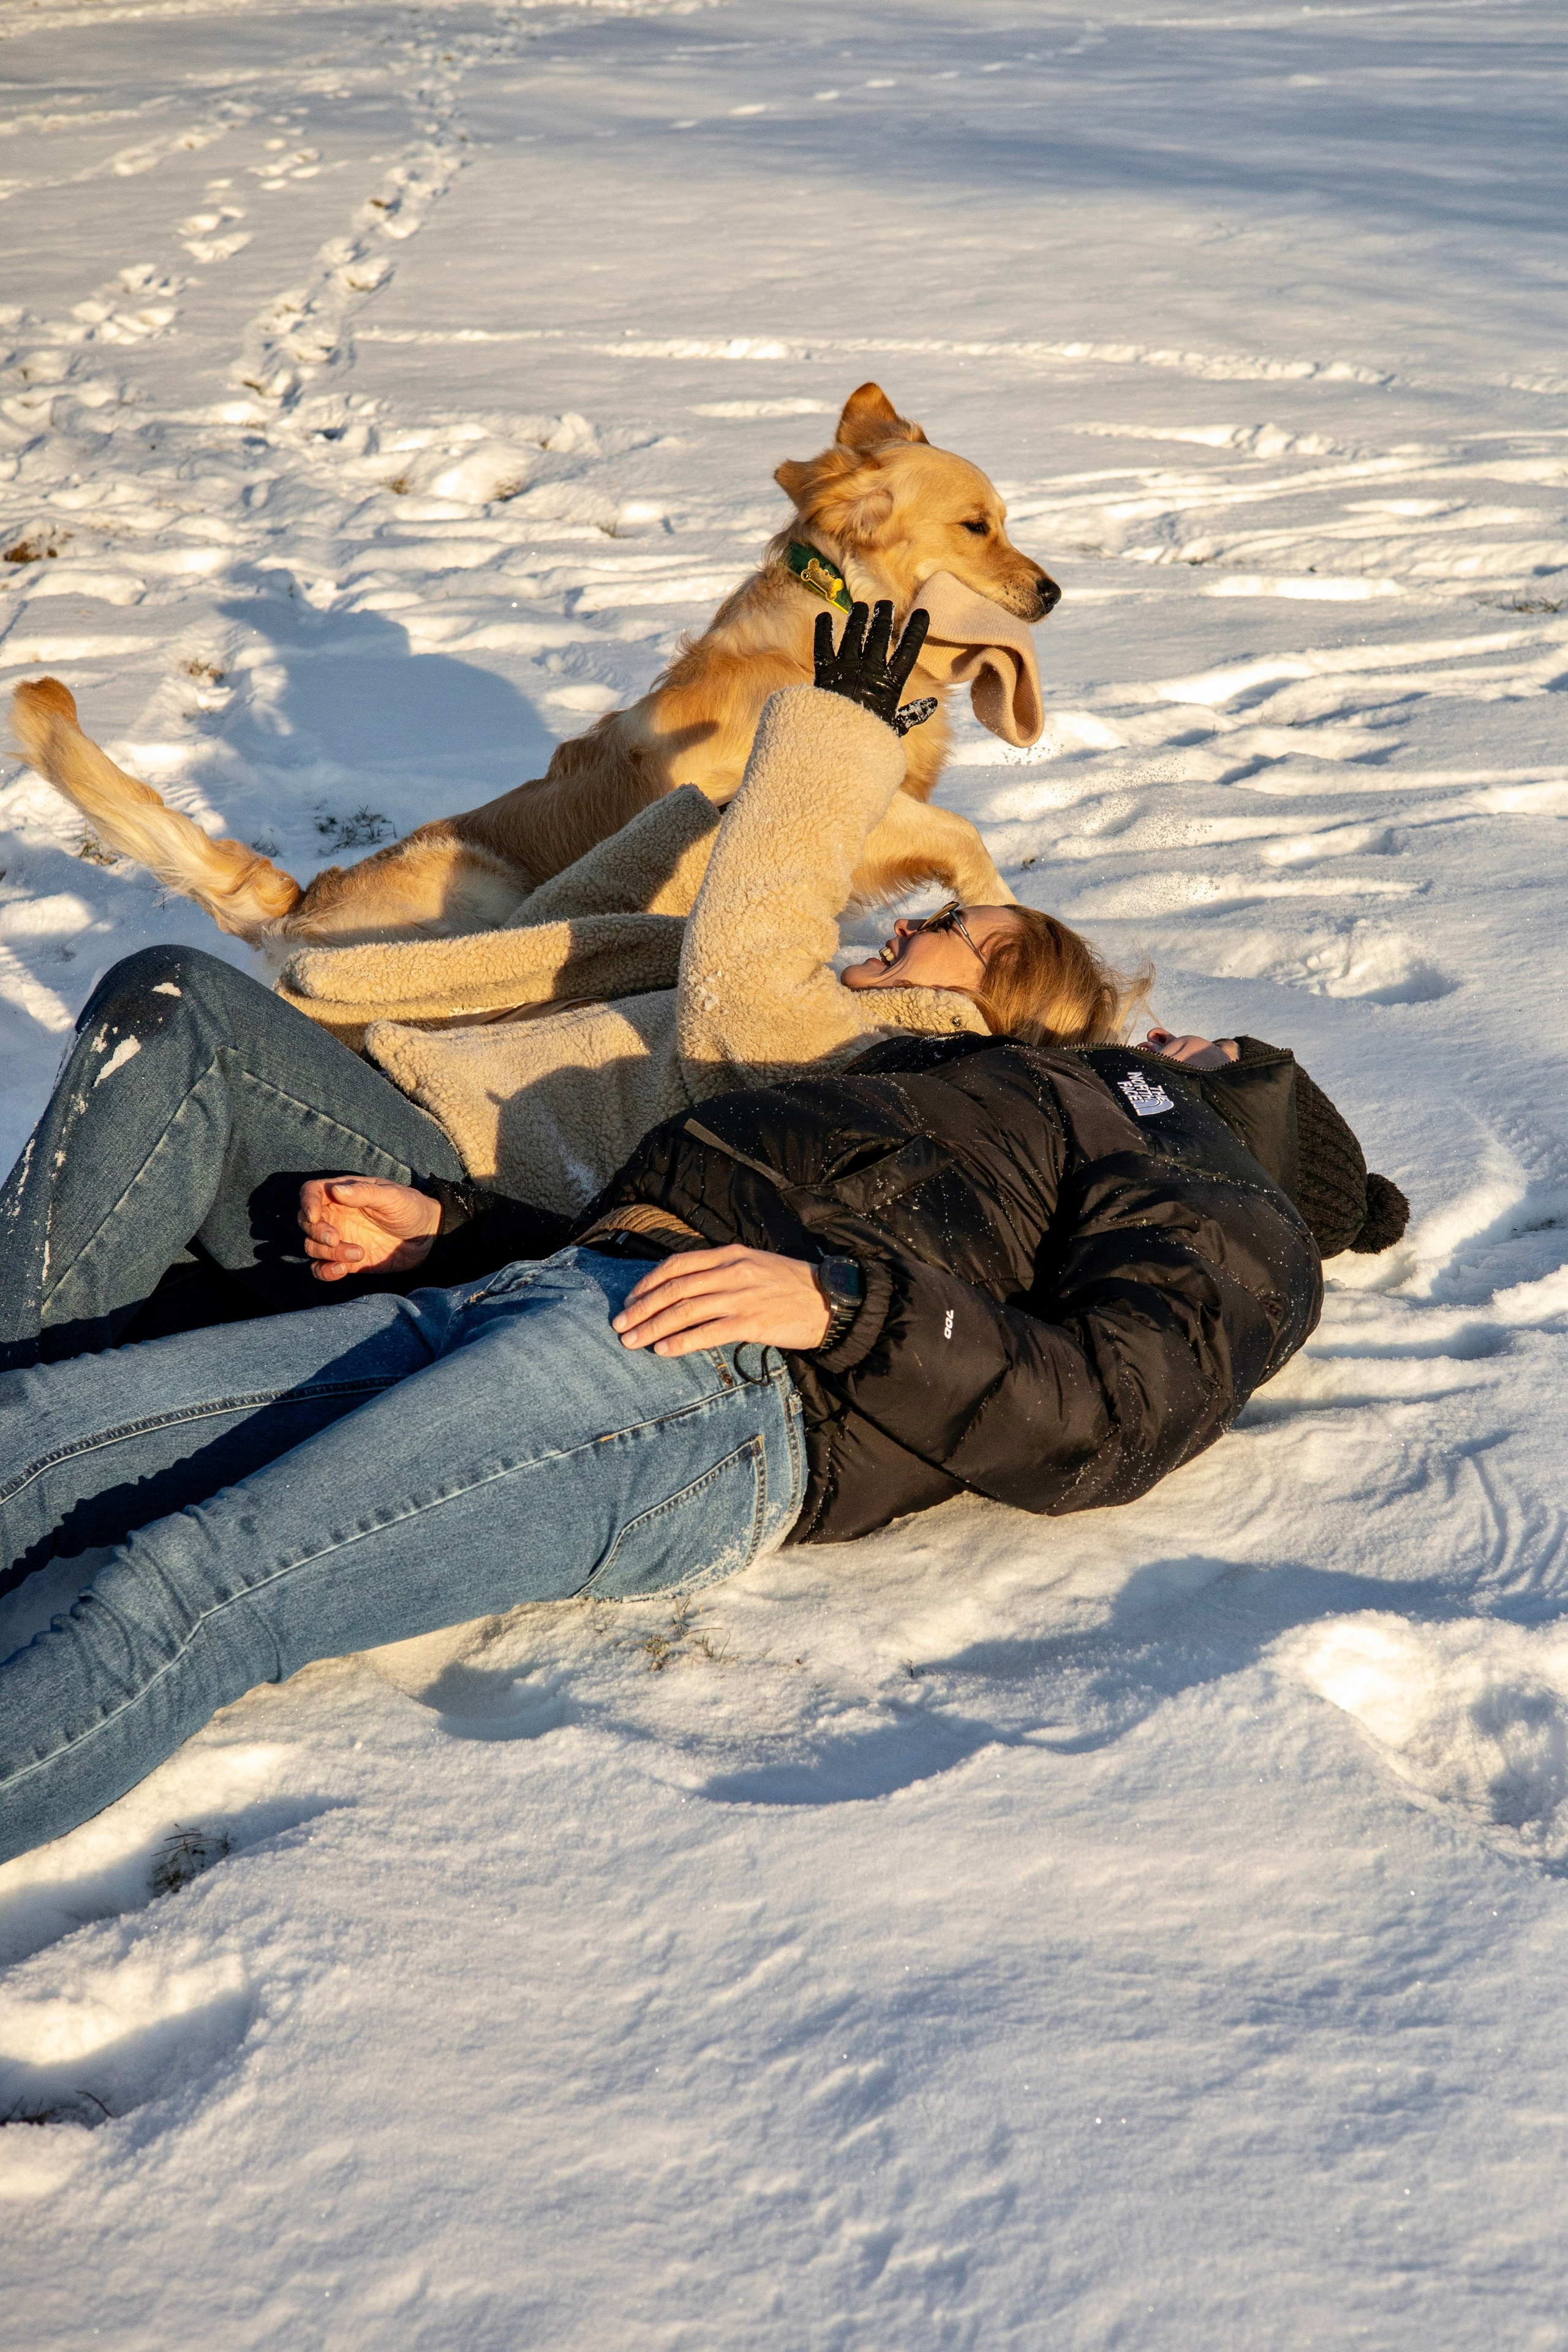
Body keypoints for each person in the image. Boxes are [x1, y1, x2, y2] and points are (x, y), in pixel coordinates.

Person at [0, 604, 1134, 1374]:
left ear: (988, 1005)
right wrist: (701, 809)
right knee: (143, 1280)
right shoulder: (807, 1002)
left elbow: (748, 968)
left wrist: (831, 745)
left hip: (445, 1178)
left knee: (181, 1004)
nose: (916, 916)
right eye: (941, 906)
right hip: (413, 1107)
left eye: (955, 930)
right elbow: (538, 951)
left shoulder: (851, 1061)